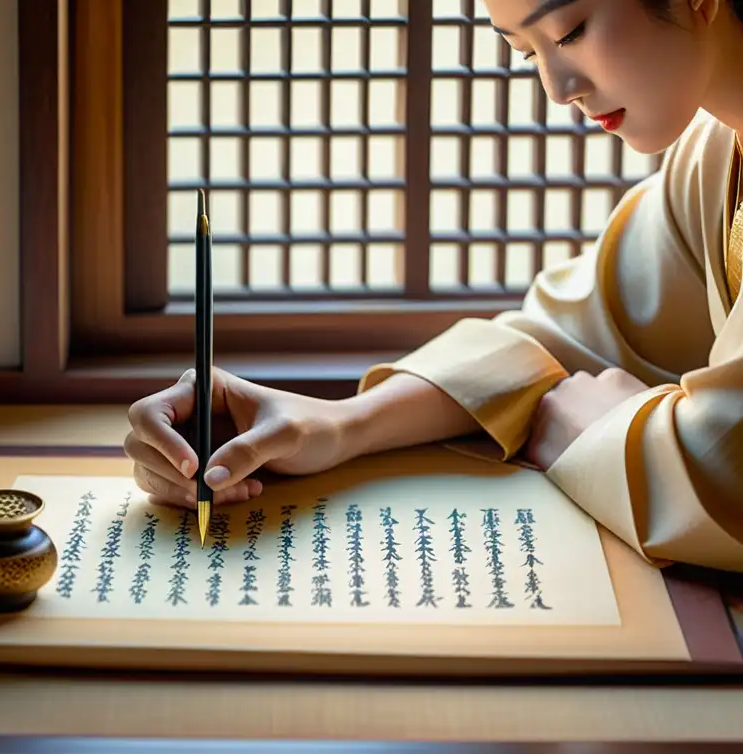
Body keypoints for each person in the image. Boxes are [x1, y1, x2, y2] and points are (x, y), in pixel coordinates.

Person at [124, 0, 743, 573]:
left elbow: (728, 475)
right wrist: (339, 425)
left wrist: (595, 433)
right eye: (529, 53)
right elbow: (566, 338)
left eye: (570, 32)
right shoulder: (713, 154)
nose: (558, 89)